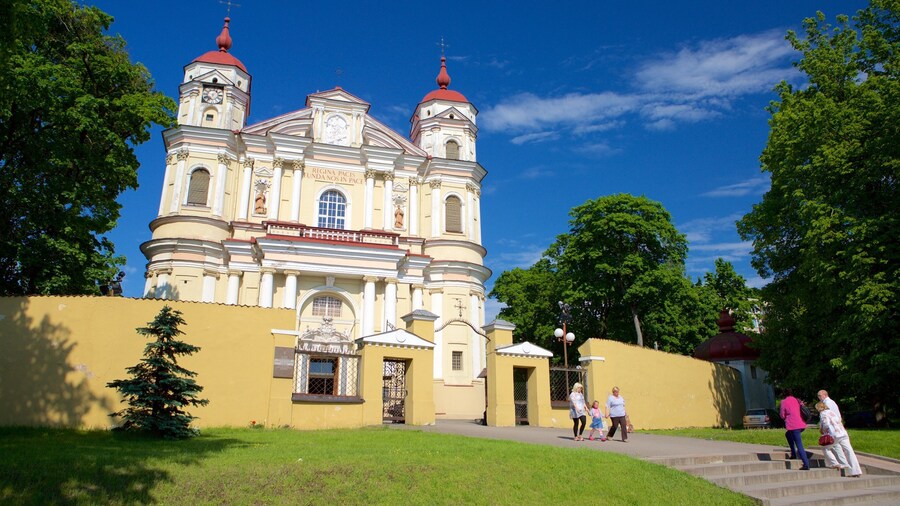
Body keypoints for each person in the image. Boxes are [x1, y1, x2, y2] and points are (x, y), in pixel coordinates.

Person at [816, 401, 862, 477]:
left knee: (825, 448)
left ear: (819, 408)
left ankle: (834, 463)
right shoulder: (832, 412)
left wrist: (822, 430)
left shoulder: (823, 413)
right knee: (849, 451)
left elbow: (826, 424)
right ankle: (856, 471)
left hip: (834, 435)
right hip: (843, 433)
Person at [779, 388, 810, 470]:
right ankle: (793, 453)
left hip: (793, 425)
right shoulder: (797, 400)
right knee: (788, 434)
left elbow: (782, 415)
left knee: (799, 444)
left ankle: (806, 464)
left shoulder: (784, 402)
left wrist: (786, 417)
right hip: (801, 423)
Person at [817, 389, 843, 468]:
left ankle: (835, 463)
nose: (819, 397)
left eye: (819, 396)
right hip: (837, 428)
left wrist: (821, 428)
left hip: (831, 430)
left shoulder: (826, 405)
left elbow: (826, 421)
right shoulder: (832, 402)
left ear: (825, 395)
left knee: (826, 447)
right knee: (837, 446)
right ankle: (842, 462)